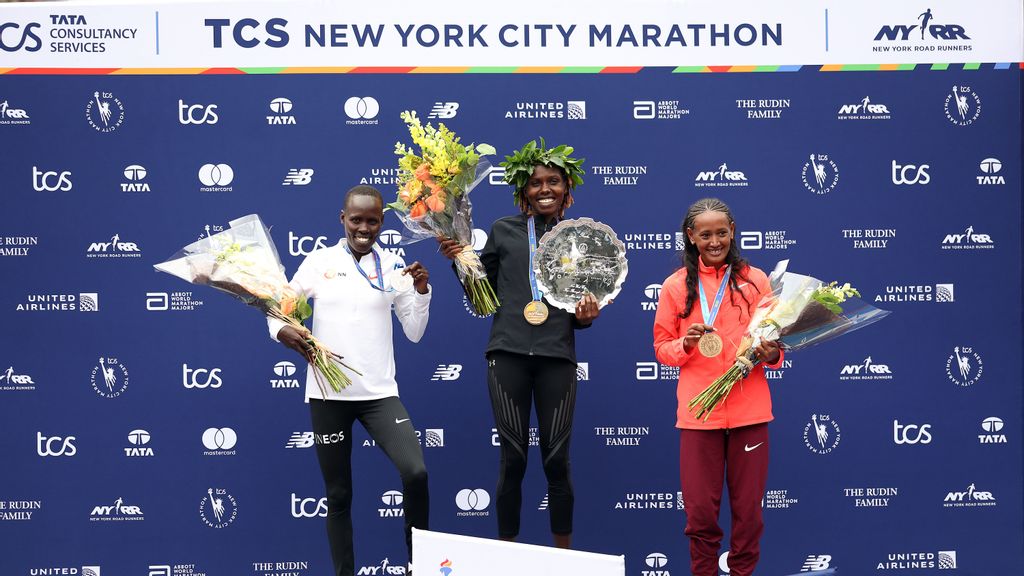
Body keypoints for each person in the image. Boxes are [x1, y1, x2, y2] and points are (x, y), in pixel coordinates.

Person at [439, 140, 600, 549]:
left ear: (567, 188)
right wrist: (461, 261)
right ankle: (507, 556)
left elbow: (581, 304)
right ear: (522, 192)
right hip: (507, 354)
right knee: (513, 459)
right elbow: (483, 297)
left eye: (554, 181)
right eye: (535, 183)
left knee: (556, 460)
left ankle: (564, 560)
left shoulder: (579, 239)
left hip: (557, 358)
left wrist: (585, 317)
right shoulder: (503, 230)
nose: (544, 189)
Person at [270, 185, 431, 576]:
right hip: (329, 395)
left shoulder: (394, 265)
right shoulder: (317, 262)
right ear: (342, 219)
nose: (364, 227)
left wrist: (422, 292)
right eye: (356, 219)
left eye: (372, 220)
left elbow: (414, 332)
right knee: (338, 495)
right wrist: (281, 330)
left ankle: (419, 566)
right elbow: (280, 307)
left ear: (381, 222)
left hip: (378, 395)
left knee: (416, 472)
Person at [652, 198, 784, 576]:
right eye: (705, 234)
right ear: (691, 237)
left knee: (748, 516)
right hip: (698, 415)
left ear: (732, 232)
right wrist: (686, 344)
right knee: (699, 516)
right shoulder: (675, 287)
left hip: (750, 412)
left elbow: (777, 347)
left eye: (721, 233)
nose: (714, 241)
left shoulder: (756, 280)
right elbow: (662, 349)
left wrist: (771, 351)